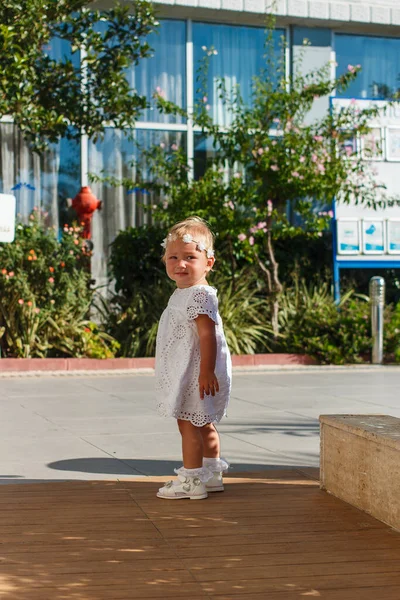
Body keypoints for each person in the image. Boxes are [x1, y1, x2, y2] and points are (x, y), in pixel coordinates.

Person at [155, 216, 231, 500]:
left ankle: (191, 480)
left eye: (189, 257)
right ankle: (211, 474)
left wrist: (207, 372)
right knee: (203, 422)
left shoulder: (198, 296)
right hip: (194, 370)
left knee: (188, 424)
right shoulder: (186, 292)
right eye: (173, 257)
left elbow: (208, 336)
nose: (180, 264)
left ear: (208, 262)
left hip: (196, 372)